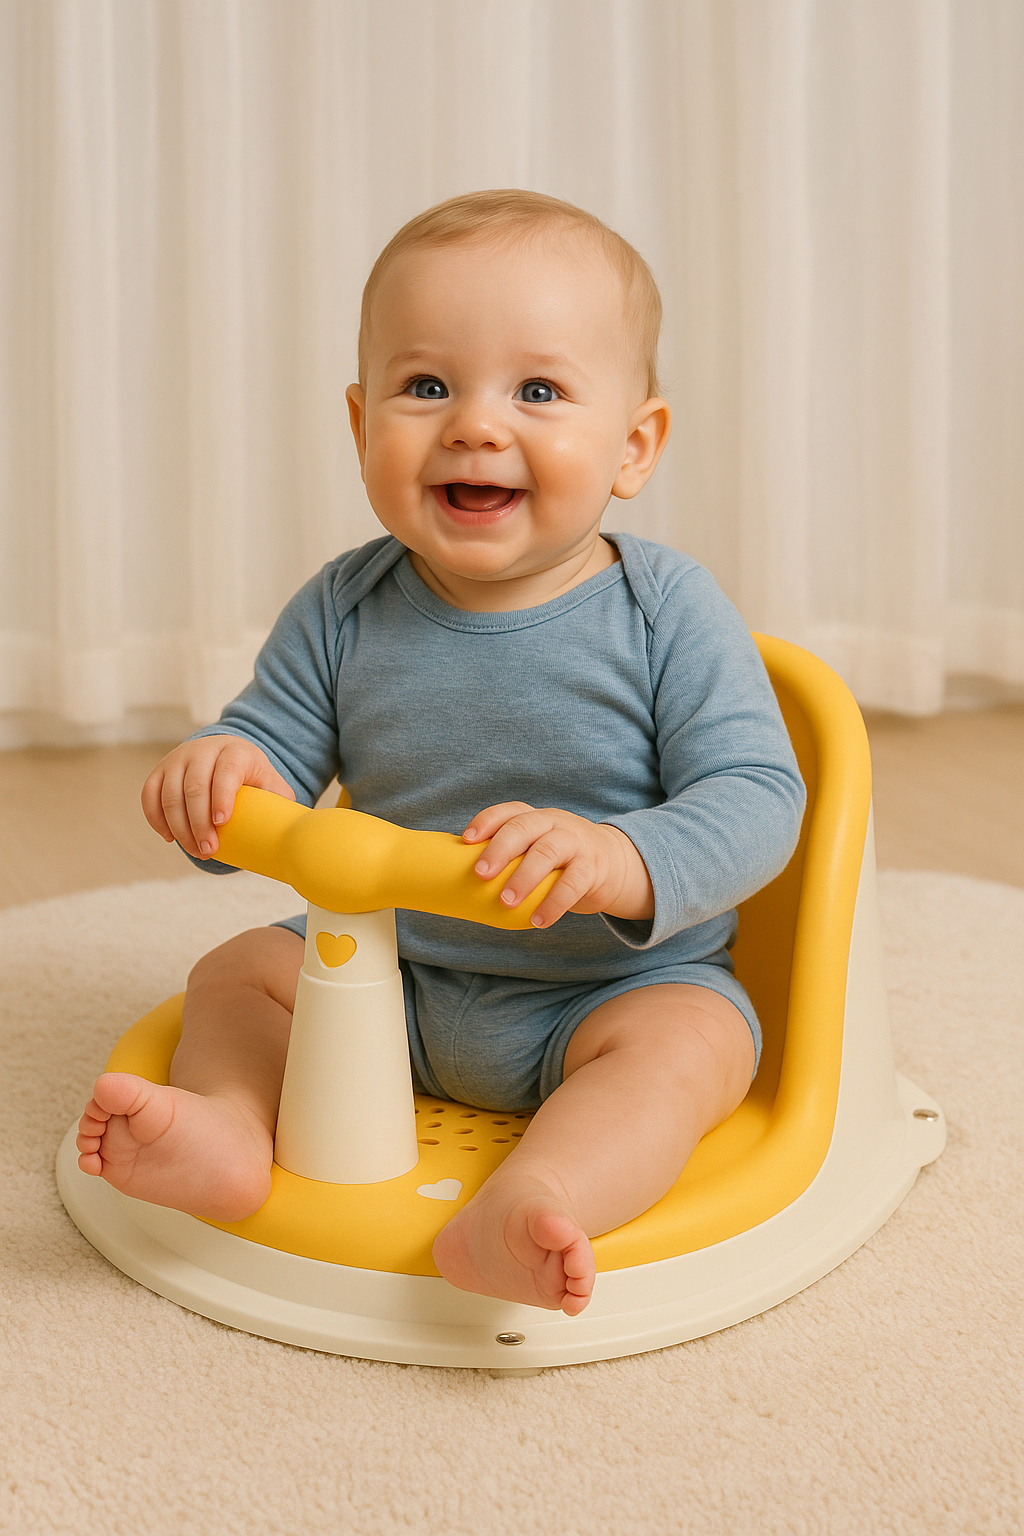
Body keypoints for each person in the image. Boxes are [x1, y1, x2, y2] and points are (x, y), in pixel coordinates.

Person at [75, 190, 805, 1317]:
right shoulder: (343, 606)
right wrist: (220, 772)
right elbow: (270, 751)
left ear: (634, 444)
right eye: (426, 387)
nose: (474, 423)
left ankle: (538, 1196)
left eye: (539, 391)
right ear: (360, 422)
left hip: (607, 987)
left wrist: (620, 856)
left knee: (694, 1046)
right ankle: (228, 1125)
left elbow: (757, 795)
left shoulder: (667, 612)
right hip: (390, 972)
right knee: (237, 975)